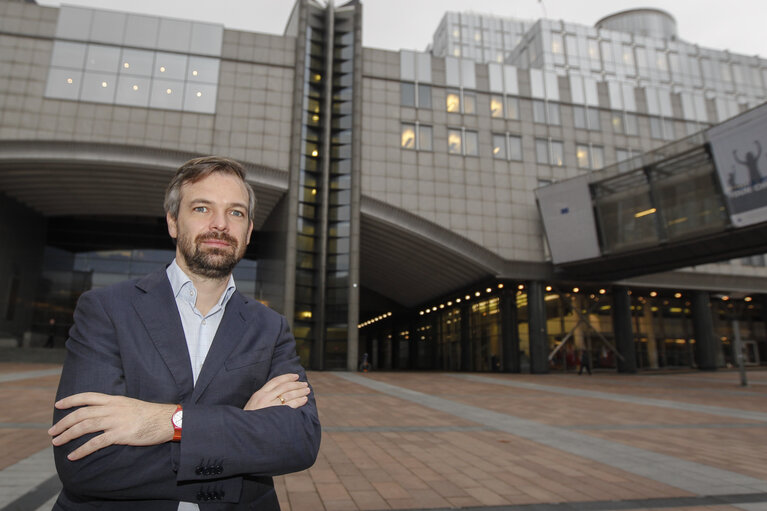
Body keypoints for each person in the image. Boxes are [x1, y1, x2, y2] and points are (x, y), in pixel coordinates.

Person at [48, 156, 321, 510]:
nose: (220, 225)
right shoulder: (106, 309)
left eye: (235, 213)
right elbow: (84, 461)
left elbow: (298, 440)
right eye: (202, 208)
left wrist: (169, 422)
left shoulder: (270, 327)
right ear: (173, 222)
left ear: (249, 231)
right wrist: (243, 434)